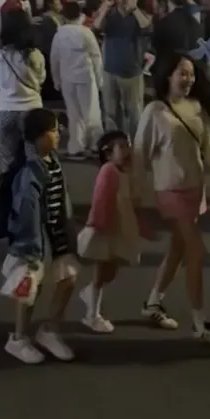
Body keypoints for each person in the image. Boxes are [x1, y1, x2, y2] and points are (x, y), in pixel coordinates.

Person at [134, 53, 210, 337]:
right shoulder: (155, 111)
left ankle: (153, 302)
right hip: (170, 191)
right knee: (195, 252)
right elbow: (140, 155)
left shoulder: (197, 108)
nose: (188, 79)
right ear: (167, 76)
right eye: (182, 73)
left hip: (194, 190)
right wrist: (136, 197)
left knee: (178, 249)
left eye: (190, 74)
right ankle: (200, 323)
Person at [2, 107, 78, 365]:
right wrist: (31, 249)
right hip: (35, 241)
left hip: (56, 236)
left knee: (69, 278)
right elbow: (27, 213)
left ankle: (49, 330)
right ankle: (18, 338)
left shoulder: (51, 161)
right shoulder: (29, 172)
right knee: (28, 288)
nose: (59, 135)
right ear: (39, 136)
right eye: (54, 131)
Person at [77, 130, 147, 332]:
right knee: (101, 273)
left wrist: (142, 227)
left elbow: (131, 205)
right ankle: (92, 315)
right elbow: (100, 200)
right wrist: (98, 224)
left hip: (118, 229)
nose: (127, 151)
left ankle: (90, 294)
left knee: (110, 272)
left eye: (128, 146)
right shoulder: (108, 171)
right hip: (105, 229)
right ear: (108, 154)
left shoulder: (124, 174)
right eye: (121, 147)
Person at [93, 0, 152, 137]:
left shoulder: (138, 15)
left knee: (134, 113)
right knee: (111, 113)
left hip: (132, 72)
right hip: (110, 70)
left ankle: (137, 146)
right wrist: (105, 7)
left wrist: (134, 8)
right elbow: (96, 27)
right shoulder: (111, 16)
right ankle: (115, 147)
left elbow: (147, 28)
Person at [0, 8, 46, 172]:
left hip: (6, 108)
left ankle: (9, 193)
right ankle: (32, 192)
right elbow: (41, 79)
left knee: (7, 158)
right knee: (34, 157)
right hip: (32, 110)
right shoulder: (35, 55)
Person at [50, 0, 103, 159]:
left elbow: (55, 59)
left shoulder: (59, 33)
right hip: (86, 76)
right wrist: (100, 79)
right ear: (80, 15)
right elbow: (96, 58)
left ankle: (76, 146)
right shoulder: (86, 32)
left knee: (74, 113)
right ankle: (95, 144)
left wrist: (56, 79)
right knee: (91, 112)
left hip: (67, 78)